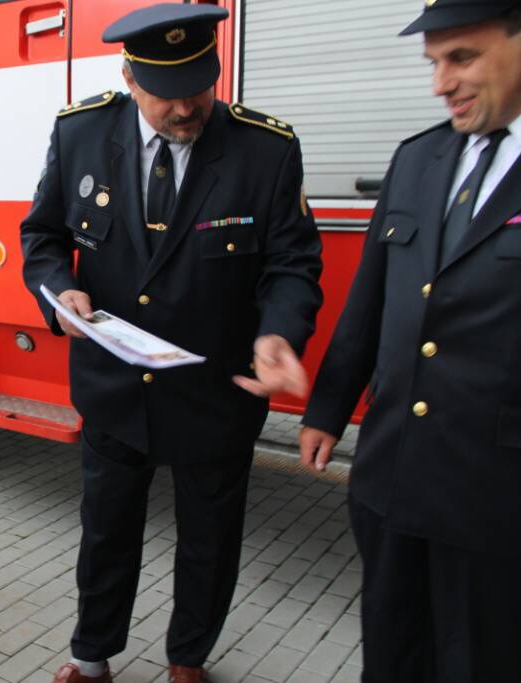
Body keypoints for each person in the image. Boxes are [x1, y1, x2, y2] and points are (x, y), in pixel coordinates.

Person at [20, 5, 323, 682]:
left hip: (214, 390)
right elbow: (41, 237)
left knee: (209, 540)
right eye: (167, 93)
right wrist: (56, 290)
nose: (186, 108)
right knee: (106, 532)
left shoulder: (264, 149)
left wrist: (278, 333)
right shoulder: (81, 135)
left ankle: (189, 654)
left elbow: (292, 264)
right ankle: (91, 652)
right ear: (129, 78)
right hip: (114, 387)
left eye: (199, 86)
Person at [299, 1, 521, 679]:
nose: (440, 83)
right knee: (393, 655)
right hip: (394, 476)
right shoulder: (419, 156)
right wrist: (327, 409)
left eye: (462, 58)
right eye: (433, 63)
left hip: (500, 495)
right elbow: (371, 298)